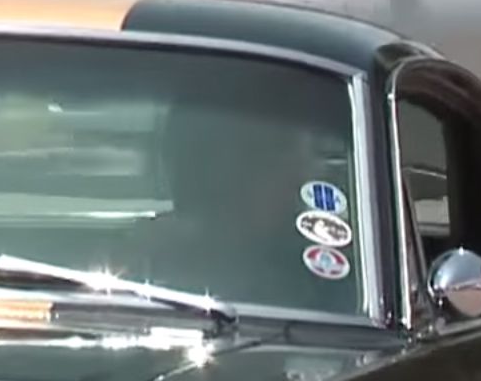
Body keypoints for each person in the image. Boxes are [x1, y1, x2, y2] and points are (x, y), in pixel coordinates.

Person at [125, 97, 352, 300]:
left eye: (312, 154)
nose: (306, 173)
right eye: (277, 152)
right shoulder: (140, 267)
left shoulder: (336, 274)